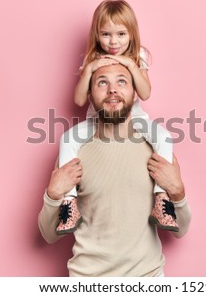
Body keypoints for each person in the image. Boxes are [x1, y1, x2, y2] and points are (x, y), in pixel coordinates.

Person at [38, 64, 191, 276]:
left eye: (122, 81)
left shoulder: (157, 151)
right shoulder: (73, 154)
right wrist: (53, 195)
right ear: (90, 95)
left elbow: (181, 230)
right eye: (102, 82)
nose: (112, 89)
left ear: (135, 92)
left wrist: (178, 192)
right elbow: (48, 235)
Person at [55, 0, 177, 235]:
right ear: (96, 35)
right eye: (106, 34)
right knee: (67, 140)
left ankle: (162, 199)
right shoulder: (92, 58)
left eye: (121, 34)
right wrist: (89, 69)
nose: (113, 42)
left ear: (131, 34)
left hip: (134, 118)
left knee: (164, 137)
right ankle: (69, 204)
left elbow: (145, 92)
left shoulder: (137, 55)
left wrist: (130, 66)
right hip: (96, 121)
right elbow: (80, 100)